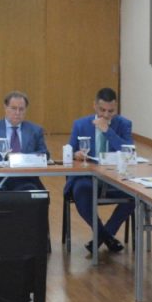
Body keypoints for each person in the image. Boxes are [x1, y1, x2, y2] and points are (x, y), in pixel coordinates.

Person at [63, 88, 133, 253]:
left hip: (116, 177)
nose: (106, 115)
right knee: (81, 190)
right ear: (94, 106)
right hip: (87, 177)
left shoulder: (124, 124)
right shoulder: (80, 124)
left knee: (134, 196)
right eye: (102, 110)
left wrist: (107, 131)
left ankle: (103, 236)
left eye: (111, 111)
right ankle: (105, 236)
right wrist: (76, 154)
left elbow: (128, 152)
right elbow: (70, 150)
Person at [0, 91, 49, 191]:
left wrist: (20, 158)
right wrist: (7, 157)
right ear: (5, 108)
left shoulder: (35, 130)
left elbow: (44, 154)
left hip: (26, 178)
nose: (17, 113)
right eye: (14, 108)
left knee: (37, 195)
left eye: (21, 109)